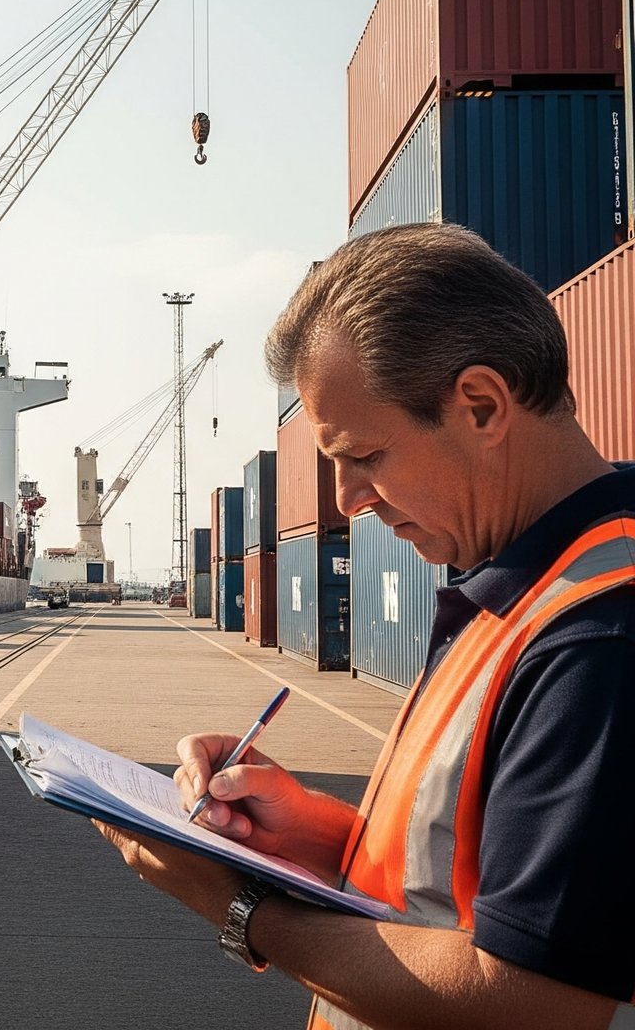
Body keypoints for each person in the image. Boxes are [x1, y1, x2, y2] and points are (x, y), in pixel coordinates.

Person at [92, 224, 635, 1030]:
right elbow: (471, 885)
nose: (348, 500)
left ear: (482, 405)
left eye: (366, 456)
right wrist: (312, 832)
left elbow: (533, 996)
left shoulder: (598, 636)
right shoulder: (531, 589)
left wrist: (239, 905)